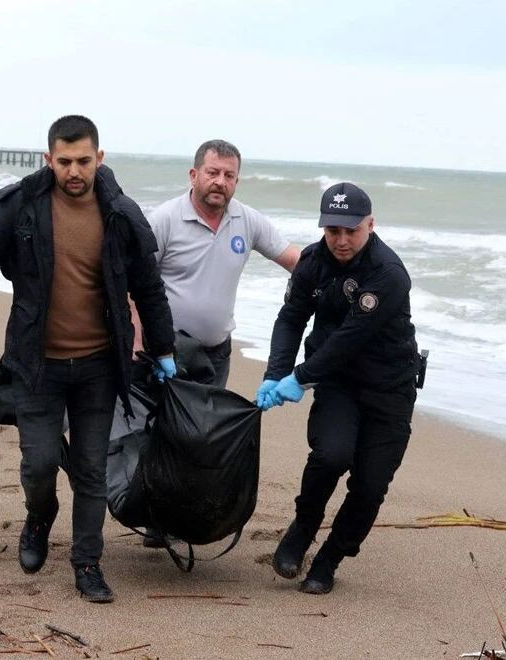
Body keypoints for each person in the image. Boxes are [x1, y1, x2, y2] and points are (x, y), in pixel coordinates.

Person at [0, 115, 176, 604]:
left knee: (91, 470)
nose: (74, 170)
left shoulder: (122, 213)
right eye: (64, 161)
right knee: (38, 465)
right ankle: (39, 517)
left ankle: (87, 562)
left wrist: (162, 349)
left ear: (99, 158)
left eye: (84, 161)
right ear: (48, 158)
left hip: (101, 367)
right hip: (37, 364)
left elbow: (148, 285)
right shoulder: (21, 205)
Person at [257, 182, 419, 595]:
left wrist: (300, 377)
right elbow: (291, 317)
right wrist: (276, 373)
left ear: (370, 224)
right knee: (330, 456)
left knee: (369, 485)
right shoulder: (314, 261)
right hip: (340, 384)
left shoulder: (388, 274)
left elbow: (349, 338)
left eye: (351, 231)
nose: (342, 240)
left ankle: (329, 559)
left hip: (390, 390)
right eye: (333, 230)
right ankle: (302, 529)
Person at [134, 139, 300, 388]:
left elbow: (295, 260)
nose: (220, 182)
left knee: (208, 427)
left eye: (229, 175)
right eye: (212, 172)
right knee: (161, 425)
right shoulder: (164, 219)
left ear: (236, 181)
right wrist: (136, 344)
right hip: (166, 351)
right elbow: (134, 285)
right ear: (194, 175)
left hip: (217, 355)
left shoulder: (247, 220)